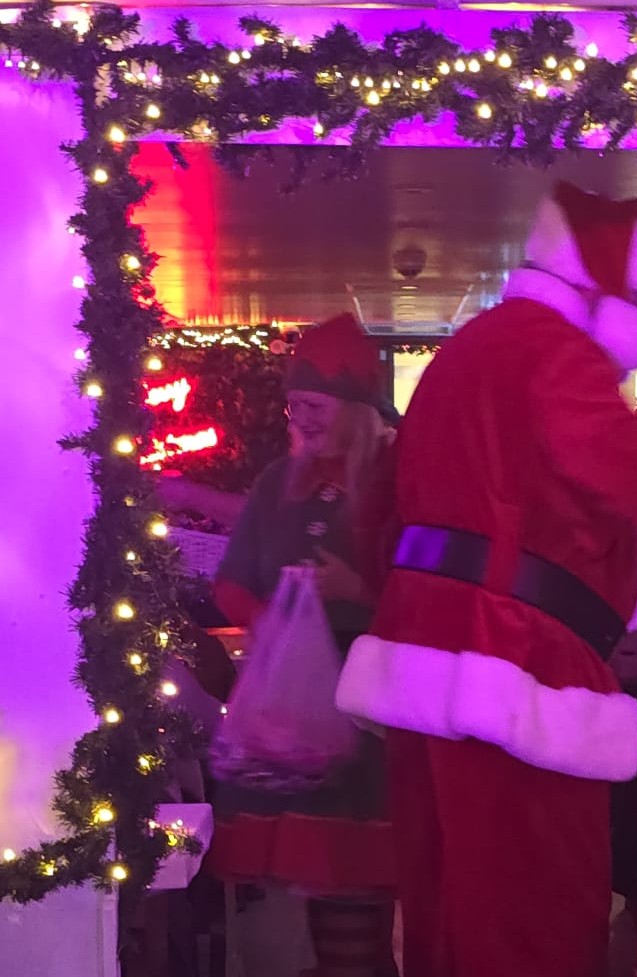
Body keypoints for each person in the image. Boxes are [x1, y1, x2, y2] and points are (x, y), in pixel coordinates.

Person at [336, 181, 637, 977]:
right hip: (515, 671)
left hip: (426, 666)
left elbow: (375, 513)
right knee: (534, 919)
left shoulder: (468, 351)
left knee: (446, 911)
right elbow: (621, 461)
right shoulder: (553, 350)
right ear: (601, 287)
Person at [204, 313, 397, 977]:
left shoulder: (398, 478)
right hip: (294, 711)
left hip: (373, 708)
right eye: (295, 406)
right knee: (322, 879)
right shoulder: (276, 483)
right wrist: (273, 621)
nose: (301, 419)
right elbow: (231, 581)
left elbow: (435, 594)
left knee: (356, 876)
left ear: (354, 408)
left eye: (315, 406)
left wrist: (358, 589)